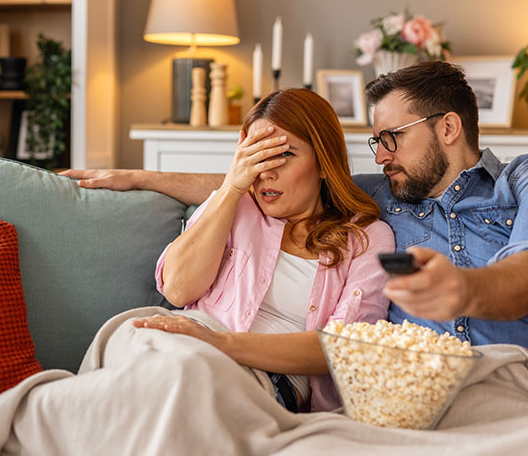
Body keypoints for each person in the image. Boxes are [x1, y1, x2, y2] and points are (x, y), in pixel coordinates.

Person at [61, 61, 528, 407]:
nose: (380, 155)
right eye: (374, 140)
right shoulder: (387, 192)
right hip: (422, 409)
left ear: (448, 129)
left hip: (519, 394)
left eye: (392, 139)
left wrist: (465, 291)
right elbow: (278, 179)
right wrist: (141, 178)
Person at [130, 88, 394, 413]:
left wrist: (222, 344)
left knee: (181, 392)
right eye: (257, 154)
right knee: (123, 355)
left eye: (283, 154)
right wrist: (230, 187)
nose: (265, 171)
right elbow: (178, 289)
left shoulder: (366, 237)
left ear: (324, 163)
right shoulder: (236, 203)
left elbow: (342, 348)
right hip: (180, 343)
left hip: (261, 375)